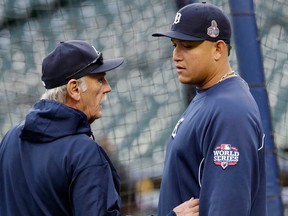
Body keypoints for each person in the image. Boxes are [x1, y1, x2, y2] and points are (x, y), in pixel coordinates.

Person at [0, 40, 199, 216]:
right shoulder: (83, 153)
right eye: (100, 79)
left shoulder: (10, 139)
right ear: (74, 89)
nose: (107, 87)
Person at [152, 2, 266, 216]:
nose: (176, 55)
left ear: (218, 49)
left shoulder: (229, 111)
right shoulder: (210, 95)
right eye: (174, 45)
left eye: (187, 46)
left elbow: (228, 209)